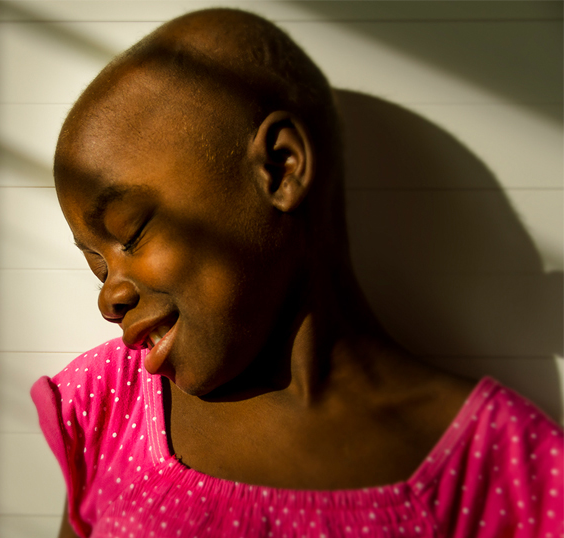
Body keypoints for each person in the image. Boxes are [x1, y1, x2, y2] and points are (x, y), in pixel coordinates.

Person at [31, 8, 563, 538]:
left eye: (131, 233)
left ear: (281, 168)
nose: (109, 297)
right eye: (98, 265)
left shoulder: (501, 469)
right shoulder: (110, 404)